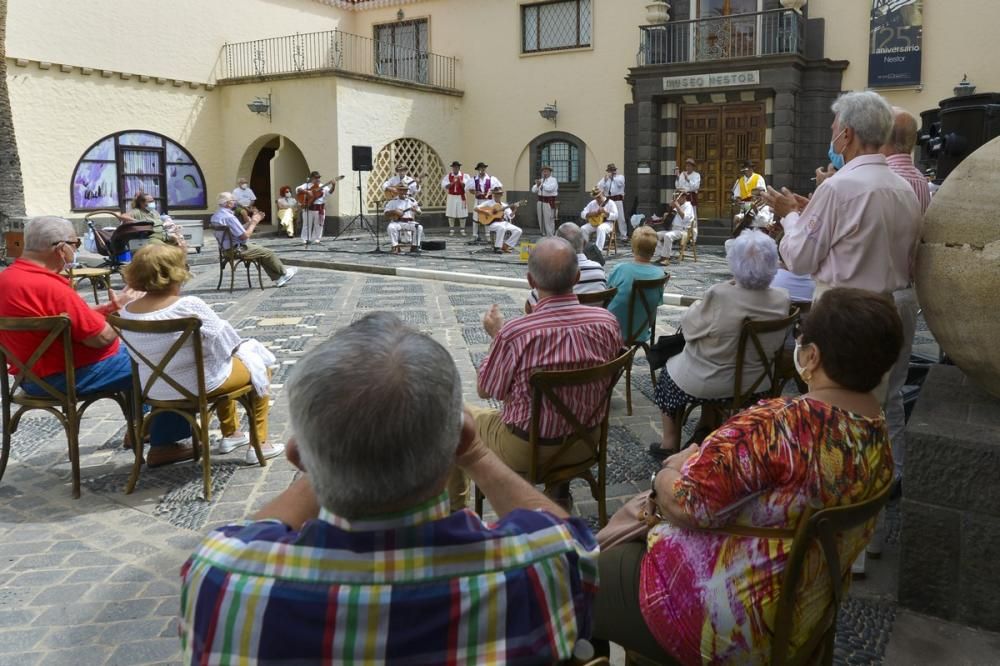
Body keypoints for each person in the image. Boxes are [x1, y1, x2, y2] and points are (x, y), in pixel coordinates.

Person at [179, 312, 599, 663]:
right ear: (459, 441)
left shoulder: (221, 576)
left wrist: (322, 460)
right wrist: (478, 456)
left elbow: (252, 536)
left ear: (298, 457)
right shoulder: (541, 566)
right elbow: (570, 538)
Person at [592, 288, 901, 664]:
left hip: (718, 617)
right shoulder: (877, 439)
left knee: (565, 581)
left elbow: (689, 506)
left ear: (813, 356)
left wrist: (663, 473)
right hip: (800, 614)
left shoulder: (777, 425)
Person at [447, 238, 623, 511]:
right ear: (576, 278)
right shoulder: (607, 323)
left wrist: (496, 337)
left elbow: (485, 389)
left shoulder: (516, 333)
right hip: (585, 443)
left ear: (530, 280)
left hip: (526, 448)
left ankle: (456, 511)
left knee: (454, 415)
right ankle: (558, 494)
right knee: (567, 405)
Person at [0, 216, 192, 466]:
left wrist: (107, 309)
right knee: (165, 359)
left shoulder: (7, 279)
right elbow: (101, 339)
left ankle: (142, 427)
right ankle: (164, 444)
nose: (75, 250)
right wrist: (123, 308)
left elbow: (67, 322)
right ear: (61, 249)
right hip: (66, 377)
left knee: (138, 355)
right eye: (75, 243)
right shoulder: (51, 287)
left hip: (29, 377)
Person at [118, 244, 285, 463]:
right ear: (176, 272)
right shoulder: (188, 305)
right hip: (198, 385)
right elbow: (229, 342)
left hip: (156, 389)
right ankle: (259, 444)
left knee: (223, 362)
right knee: (256, 364)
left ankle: (232, 434)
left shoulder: (126, 311)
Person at [764, 91, 921, 304]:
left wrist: (789, 215)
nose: (832, 136)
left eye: (834, 130)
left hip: (843, 310)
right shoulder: (904, 189)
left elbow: (800, 259)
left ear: (847, 134)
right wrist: (813, 211)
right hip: (888, 306)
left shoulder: (837, 188)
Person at [649, 230, 790, 456]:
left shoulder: (721, 295)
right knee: (715, 356)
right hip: (757, 382)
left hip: (711, 380)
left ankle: (669, 442)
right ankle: (707, 425)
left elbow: (689, 327)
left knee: (668, 375)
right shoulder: (782, 298)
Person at [211, 192, 297, 287]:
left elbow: (236, 229)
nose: (235, 202)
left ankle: (278, 278)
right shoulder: (229, 217)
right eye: (233, 200)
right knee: (268, 252)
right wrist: (254, 223)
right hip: (237, 249)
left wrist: (251, 221)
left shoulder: (216, 216)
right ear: (228, 203)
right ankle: (284, 273)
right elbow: (244, 236)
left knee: (260, 252)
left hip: (225, 250)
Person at [525, 222, 607, 311]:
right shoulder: (598, 269)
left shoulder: (551, 274)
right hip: (593, 318)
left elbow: (530, 307)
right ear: (584, 243)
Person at [606, 227, 665, 344]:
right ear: (654, 250)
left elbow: (606, 294)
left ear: (633, 248)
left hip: (613, 330)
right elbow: (657, 303)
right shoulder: (660, 273)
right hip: (641, 329)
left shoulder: (621, 269)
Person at [474, 186, 522, 254]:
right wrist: (486, 212)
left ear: (501, 195)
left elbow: (510, 216)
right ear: (493, 194)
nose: (497, 195)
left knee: (518, 230)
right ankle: (497, 247)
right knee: (501, 228)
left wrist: (514, 210)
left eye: (499, 194)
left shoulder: (504, 205)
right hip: (492, 223)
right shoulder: (488, 203)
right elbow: (476, 208)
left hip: (503, 222)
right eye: (496, 194)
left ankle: (506, 245)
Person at [652, 189, 695, 264]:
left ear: (684, 197)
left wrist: (677, 206)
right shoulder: (676, 206)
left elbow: (685, 218)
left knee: (668, 236)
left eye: (678, 197)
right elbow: (668, 221)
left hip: (683, 231)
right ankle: (662, 255)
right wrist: (669, 210)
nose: (676, 199)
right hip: (673, 230)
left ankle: (666, 258)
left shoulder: (688, 206)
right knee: (654, 235)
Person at [295, 171, 334, 245]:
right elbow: (298, 189)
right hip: (308, 208)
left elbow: (330, 192)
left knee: (319, 224)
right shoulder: (306, 185)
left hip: (319, 208)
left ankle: (317, 239)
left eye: (319, 177)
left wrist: (333, 185)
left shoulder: (323, 186)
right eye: (316, 177)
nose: (318, 179)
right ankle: (305, 239)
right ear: (312, 178)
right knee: (306, 225)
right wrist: (307, 192)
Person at [467, 162, 502, 242]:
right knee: (476, 217)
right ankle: (475, 235)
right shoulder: (474, 179)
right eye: (480, 168)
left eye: (483, 168)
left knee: (488, 216)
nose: (482, 169)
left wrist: (492, 191)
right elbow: (470, 189)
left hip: (488, 201)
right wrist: (475, 192)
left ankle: (487, 235)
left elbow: (499, 188)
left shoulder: (491, 178)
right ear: (478, 169)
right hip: (478, 200)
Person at [384, 185, 423, 254]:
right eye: (401, 190)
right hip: (397, 222)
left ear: (407, 191)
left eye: (405, 190)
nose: (403, 192)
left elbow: (419, 212)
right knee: (391, 227)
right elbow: (386, 212)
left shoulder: (412, 201)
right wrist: (394, 211)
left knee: (419, 227)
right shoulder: (393, 201)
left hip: (409, 222)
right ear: (398, 191)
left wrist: (415, 210)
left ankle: (415, 246)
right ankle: (395, 246)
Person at [579, 187, 617, 252]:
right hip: (595, 223)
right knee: (583, 228)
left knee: (601, 228)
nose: (597, 199)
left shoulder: (611, 203)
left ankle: (597, 251)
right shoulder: (592, 203)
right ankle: (585, 249)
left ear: (602, 194)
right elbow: (582, 214)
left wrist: (605, 213)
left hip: (607, 223)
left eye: (598, 197)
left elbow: (616, 216)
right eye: (595, 197)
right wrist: (593, 214)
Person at [596, 163, 627, 241]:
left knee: (620, 218)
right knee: (608, 217)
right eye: (611, 170)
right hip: (609, 200)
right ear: (608, 171)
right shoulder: (605, 179)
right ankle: (609, 235)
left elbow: (621, 184)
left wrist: (613, 178)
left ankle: (624, 235)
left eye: (614, 170)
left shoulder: (620, 177)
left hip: (617, 200)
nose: (613, 172)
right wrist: (605, 180)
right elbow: (599, 187)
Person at [440, 160, 470, 236]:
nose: (455, 168)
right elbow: (444, 186)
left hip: (461, 196)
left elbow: (467, 186)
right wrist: (452, 183)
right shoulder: (448, 176)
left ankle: (462, 230)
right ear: (452, 168)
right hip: (451, 196)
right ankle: (451, 230)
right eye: (454, 167)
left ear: (459, 168)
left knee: (462, 212)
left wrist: (460, 181)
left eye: (456, 167)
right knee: (451, 212)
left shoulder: (465, 176)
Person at [531, 164, 559, 237]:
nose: (544, 173)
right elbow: (533, 190)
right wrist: (537, 185)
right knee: (541, 219)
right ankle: (543, 234)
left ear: (550, 172)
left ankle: (550, 235)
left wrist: (541, 185)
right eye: (543, 172)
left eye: (546, 171)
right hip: (540, 202)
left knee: (549, 220)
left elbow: (550, 189)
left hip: (548, 202)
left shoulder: (553, 180)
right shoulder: (541, 180)